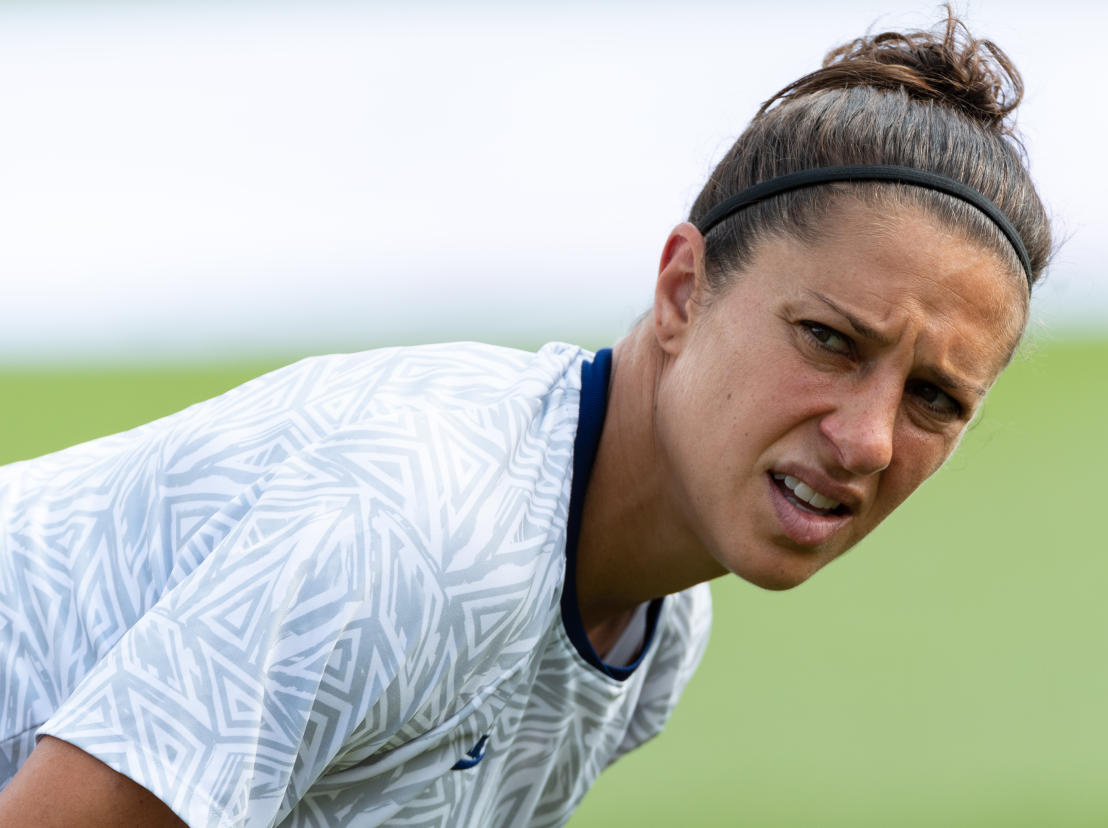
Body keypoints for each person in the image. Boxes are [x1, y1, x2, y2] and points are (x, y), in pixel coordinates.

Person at [0, 9, 1052, 827]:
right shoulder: (419, 527)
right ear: (684, 290)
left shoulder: (657, 625)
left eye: (934, 400)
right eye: (829, 338)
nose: (868, 439)